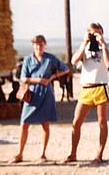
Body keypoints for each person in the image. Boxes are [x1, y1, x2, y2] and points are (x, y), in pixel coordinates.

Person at [11, 35, 69, 163]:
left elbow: (65, 69)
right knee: (24, 123)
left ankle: (43, 154)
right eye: (36, 44)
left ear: (45, 44)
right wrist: (39, 80)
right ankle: (19, 154)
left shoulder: (50, 58)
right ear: (33, 46)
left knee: (45, 124)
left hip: (46, 94)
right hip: (31, 95)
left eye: (41, 44)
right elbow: (23, 78)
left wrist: (52, 77)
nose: (39, 47)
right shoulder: (27, 60)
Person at [64, 23, 109, 164]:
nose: (95, 36)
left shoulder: (106, 45)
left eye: (98, 33)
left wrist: (103, 44)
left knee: (102, 122)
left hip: (101, 86)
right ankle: (73, 153)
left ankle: (99, 154)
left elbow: (108, 64)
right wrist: (85, 42)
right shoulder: (84, 47)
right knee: (76, 122)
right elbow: (73, 61)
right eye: (92, 33)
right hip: (86, 88)